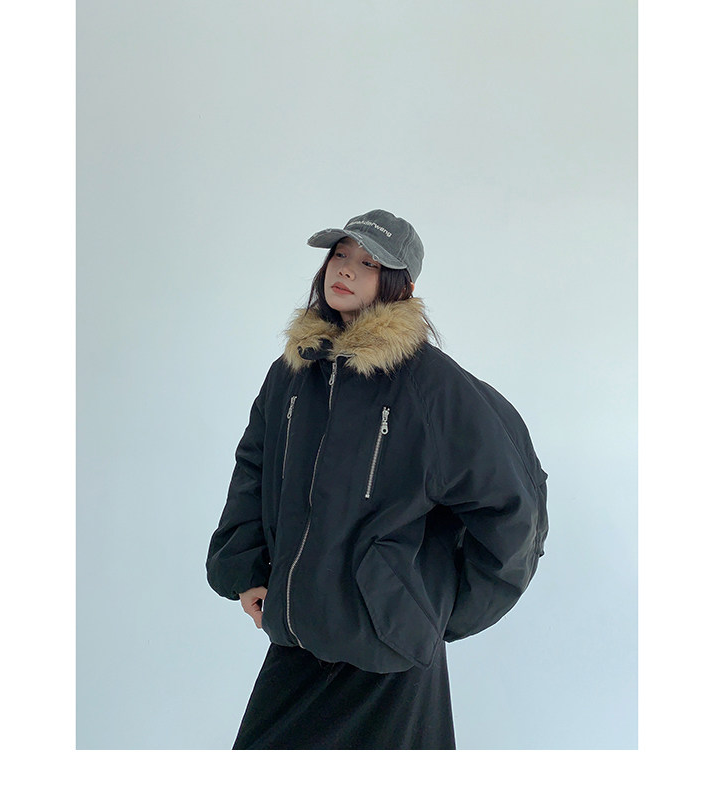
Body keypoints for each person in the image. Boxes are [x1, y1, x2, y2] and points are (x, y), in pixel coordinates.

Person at [206, 209, 549, 749]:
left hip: (387, 653)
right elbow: (253, 467)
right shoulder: (294, 372)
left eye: (368, 263)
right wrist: (246, 570)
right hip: (298, 637)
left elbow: (510, 505)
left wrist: (426, 609)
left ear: (401, 286)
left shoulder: (429, 385)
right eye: (340, 255)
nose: (345, 269)